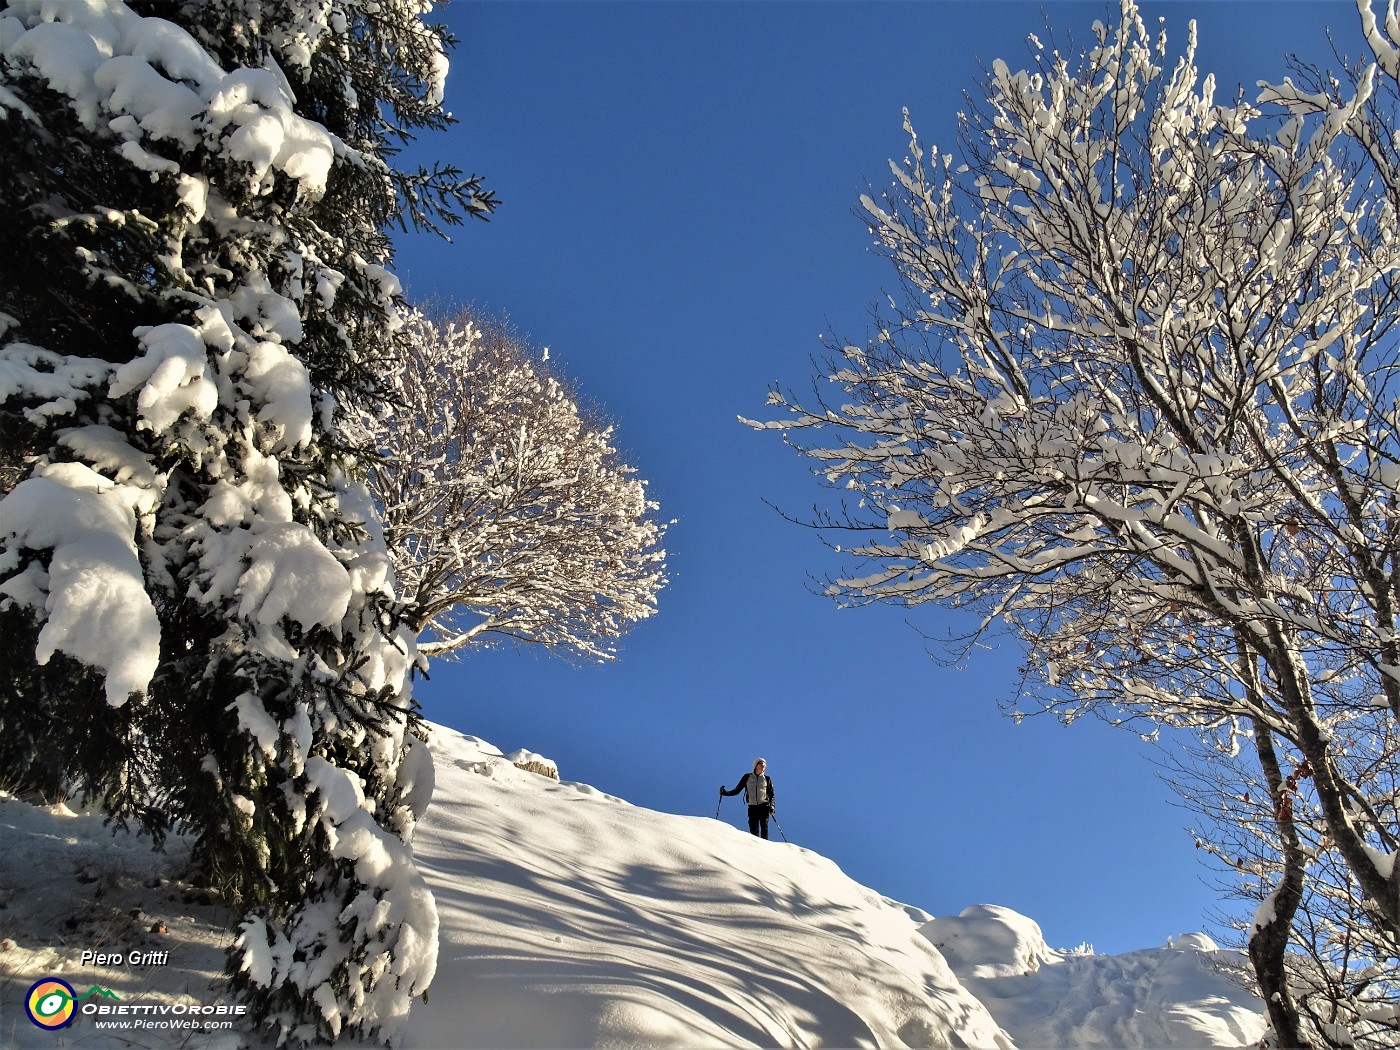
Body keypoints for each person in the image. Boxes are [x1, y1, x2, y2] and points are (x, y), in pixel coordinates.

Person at [720, 758, 775, 839]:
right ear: (756, 765)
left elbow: (771, 795)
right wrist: (725, 793)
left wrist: (772, 806)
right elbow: (736, 790)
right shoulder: (747, 777)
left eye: (764, 766)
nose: (763, 767)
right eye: (761, 765)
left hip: (764, 806)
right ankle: (754, 847)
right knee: (753, 829)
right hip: (752, 807)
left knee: (764, 828)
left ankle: (765, 847)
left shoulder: (767, 779)